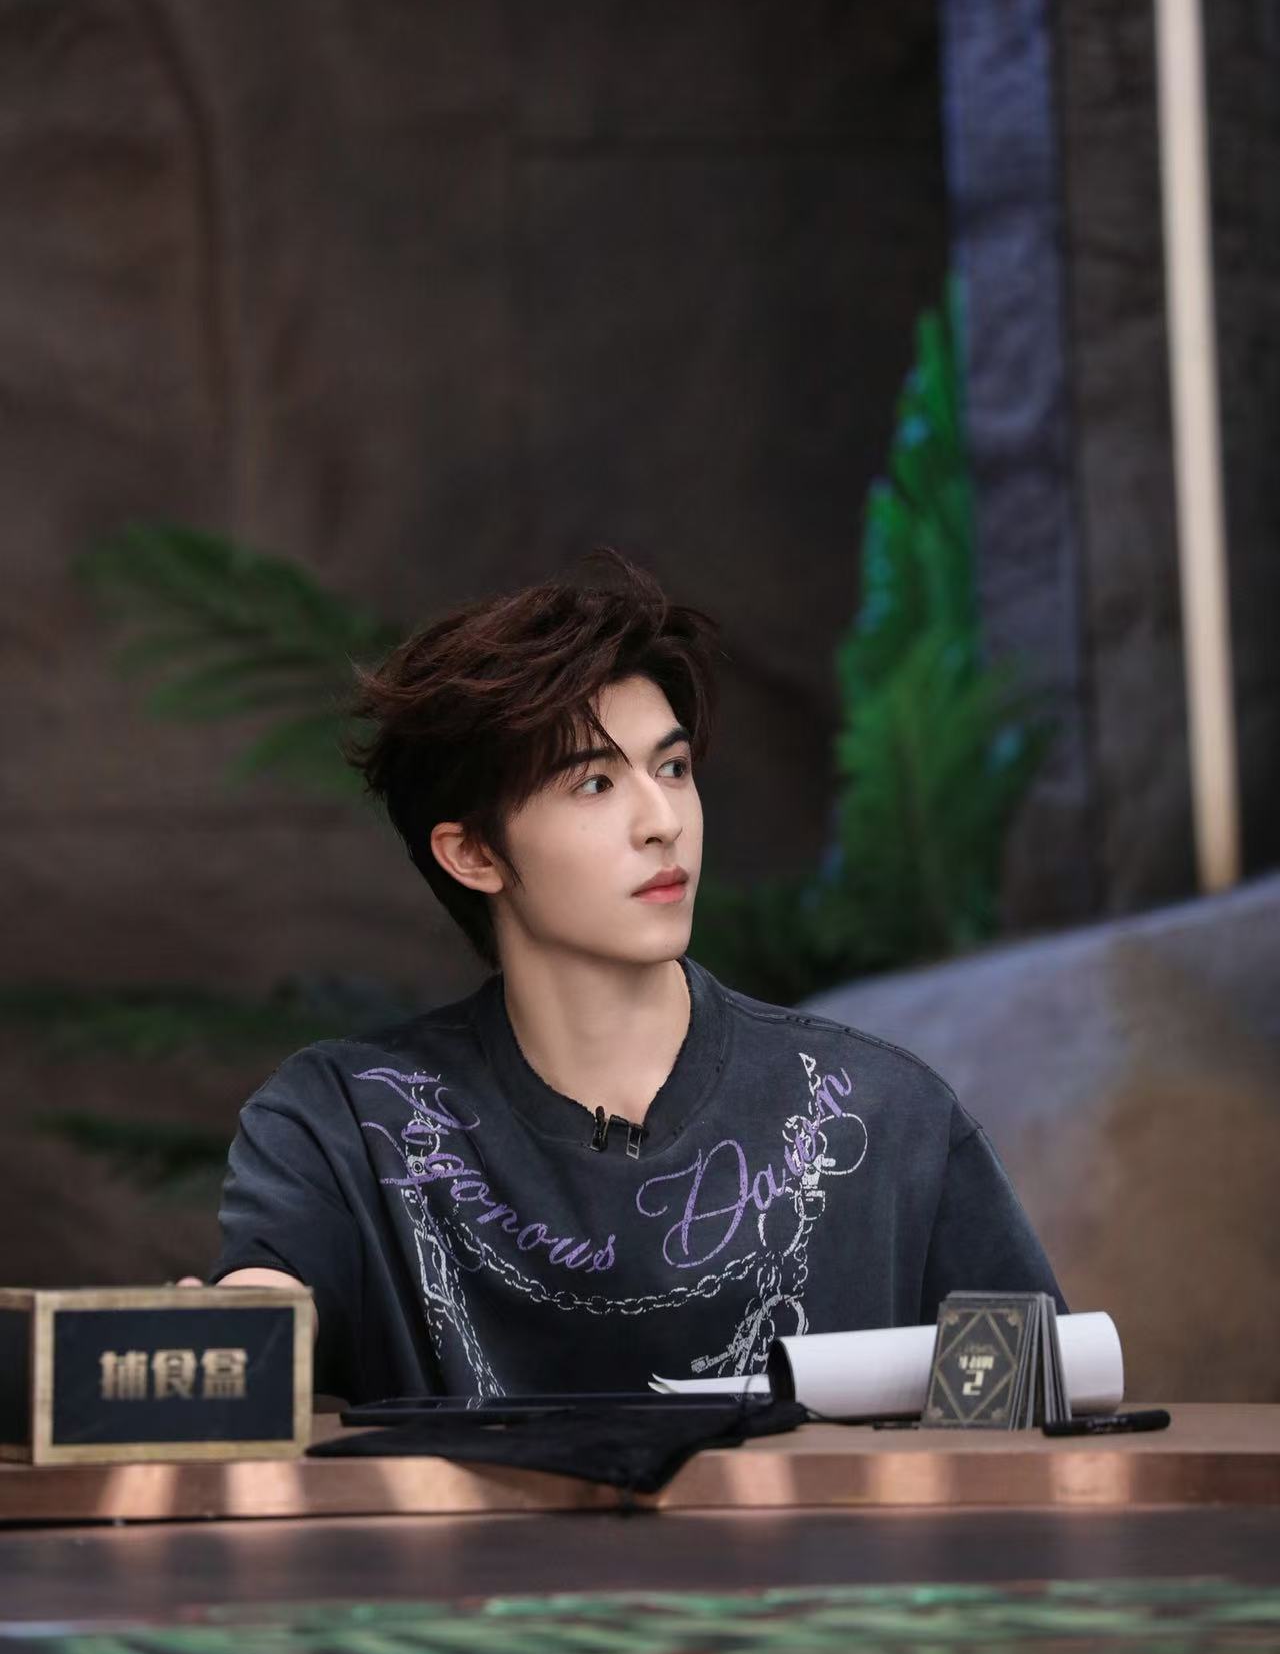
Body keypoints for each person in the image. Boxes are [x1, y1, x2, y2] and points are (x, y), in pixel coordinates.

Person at [195, 548, 1065, 1401]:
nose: (662, 821)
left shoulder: (884, 1114)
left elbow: (1039, 1414)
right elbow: (262, 1317)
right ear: (474, 854)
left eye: (672, 769)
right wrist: (222, 1335)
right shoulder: (348, 1122)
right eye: (594, 784)